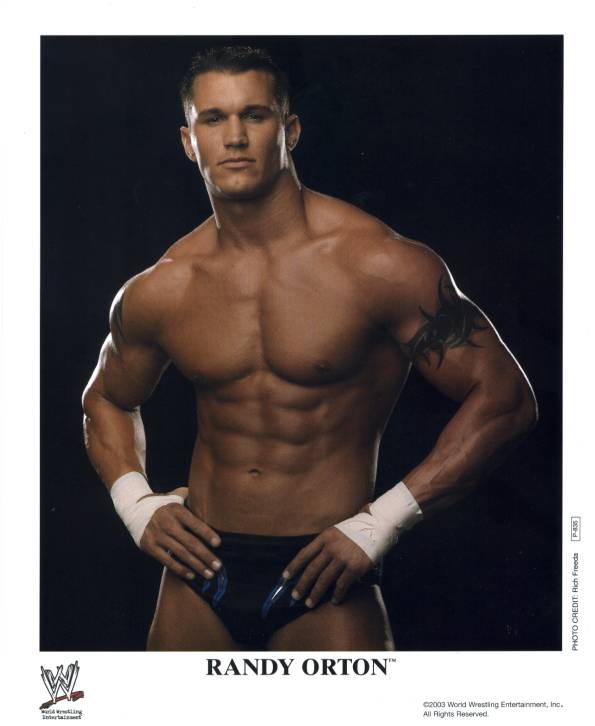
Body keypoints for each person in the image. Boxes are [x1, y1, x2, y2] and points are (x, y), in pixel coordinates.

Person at [82, 46, 537, 652]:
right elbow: (105, 400)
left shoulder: (376, 263)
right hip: (198, 571)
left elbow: (505, 399)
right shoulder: (162, 287)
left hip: (322, 574)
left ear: (290, 130)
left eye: (255, 115)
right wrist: (137, 506)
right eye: (213, 119)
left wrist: (380, 524)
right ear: (189, 141)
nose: (235, 137)